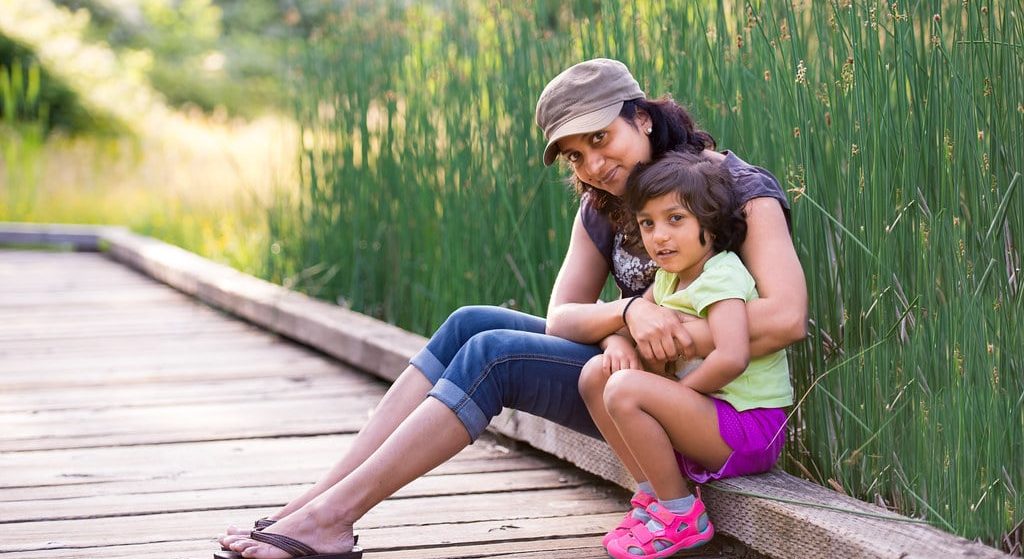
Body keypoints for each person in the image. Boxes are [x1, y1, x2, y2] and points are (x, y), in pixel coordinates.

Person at [216, 58, 806, 559]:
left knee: (492, 355)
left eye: (600, 139)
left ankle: (332, 519)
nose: (593, 165)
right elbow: (562, 317)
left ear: (642, 118)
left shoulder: (733, 188)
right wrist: (626, 318)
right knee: (469, 323)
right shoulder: (603, 206)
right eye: (575, 157)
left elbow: (784, 318)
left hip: (703, 403)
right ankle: (312, 504)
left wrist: (668, 332)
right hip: (628, 384)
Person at [579, 151, 793, 559]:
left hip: (749, 426)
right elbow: (623, 324)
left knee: (626, 389)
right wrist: (620, 342)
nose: (660, 236)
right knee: (596, 375)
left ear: (708, 225)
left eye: (675, 219)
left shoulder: (722, 274)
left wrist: (676, 394)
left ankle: (681, 515)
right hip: (712, 415)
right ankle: (654, 498)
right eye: (648, 223)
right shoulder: (667, 278)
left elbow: (732, 357)